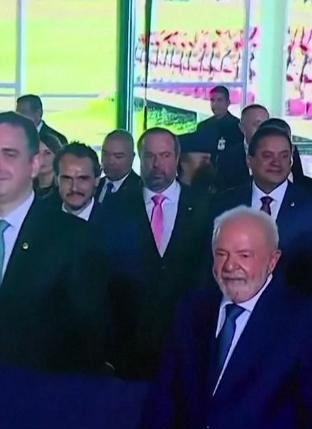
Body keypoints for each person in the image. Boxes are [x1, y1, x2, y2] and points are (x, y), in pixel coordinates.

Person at [132, 207, 312, 429]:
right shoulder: (193, 310)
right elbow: (165, 394)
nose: (230, 265)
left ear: (273, 261)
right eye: (221, 254)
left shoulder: (307, 321)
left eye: (244, 255)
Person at [0, 111, 109, 374]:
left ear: (35, 164)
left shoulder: (74, 238)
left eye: (9, 154)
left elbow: (89, 340)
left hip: (42, 393)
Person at [98, 127, 212, 379]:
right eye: (150, 156)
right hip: (129, 348)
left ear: (177, 158)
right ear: (139, 158)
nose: (157, 164)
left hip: (188, 344)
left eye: (165, 155)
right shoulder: (115, 208)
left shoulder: (204, 207)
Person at [212, 126, 312, 262]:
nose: (276, 162)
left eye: (284, 156)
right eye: (267, 156)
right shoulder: (225, 203)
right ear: (249, 160)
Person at [215, 103, 268, 189]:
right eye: (257, 124)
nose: (262, 129)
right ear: (242, 128)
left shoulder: (282, 155)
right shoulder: (227, 158)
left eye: (266, 125)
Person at [55, 142, 101, 221]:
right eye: (67, 178)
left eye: (82, 179)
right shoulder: (39, 218)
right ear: (56, 179)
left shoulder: (117, 223)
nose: (74, 188)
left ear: (97, 180)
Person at [194, 85, 244, 159]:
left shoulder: (238, 126)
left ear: (228, 102)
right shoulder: (203, 126)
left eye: (219, 100)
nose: (215, 104)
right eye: (212, 100)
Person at [97, 129, 140, 204]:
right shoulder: (93, 186)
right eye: (105, 154)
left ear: (132, 157)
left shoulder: (141, 191)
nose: (110, 161)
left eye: (118, 156)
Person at [33, 131, 62, 203]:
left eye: (47, 153)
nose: (41, 158)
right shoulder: (25, 191)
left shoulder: (62, 193)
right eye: (37, 153)